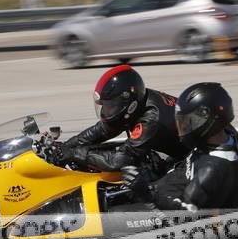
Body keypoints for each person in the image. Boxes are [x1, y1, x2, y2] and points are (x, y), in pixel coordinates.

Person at [122, 82, 238, 212]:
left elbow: (184, 215)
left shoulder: (213, 168)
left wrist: (146, 193)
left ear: (209, 121)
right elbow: (189, 168)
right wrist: (162, 167)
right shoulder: (216, 140)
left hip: (159, 209)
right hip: (162, 189)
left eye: (190, 122)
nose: (184, 128)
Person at [52, 65, 184, 174]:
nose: (106, 111)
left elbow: (119, 161)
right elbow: (104, 129)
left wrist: (75, 154)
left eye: (110, 106)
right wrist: (66, 147)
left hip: (188, 160)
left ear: (130, 106)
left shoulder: (150, 119)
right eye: (104, 106)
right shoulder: (138, 97)